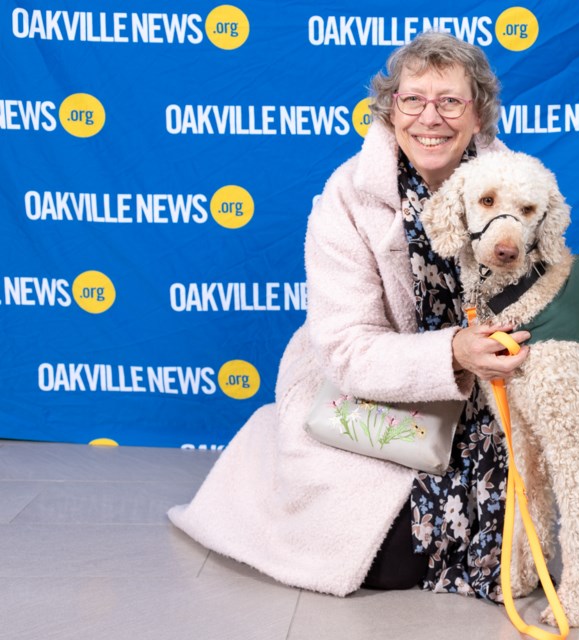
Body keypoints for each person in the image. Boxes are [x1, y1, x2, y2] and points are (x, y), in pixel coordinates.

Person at [168, 32, 529, 602]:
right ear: (390, 109)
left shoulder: (520, 184)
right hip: (372, 392)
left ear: (479, 111)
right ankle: (268, 459)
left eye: (450, 101)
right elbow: (347, 349)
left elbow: (548, 299)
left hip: (489, 399)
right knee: (388, 562)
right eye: (413, 100)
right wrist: (453, 352)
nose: (429, 118)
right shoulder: (346, 196)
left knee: (516, 547)